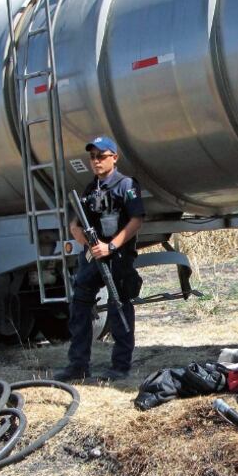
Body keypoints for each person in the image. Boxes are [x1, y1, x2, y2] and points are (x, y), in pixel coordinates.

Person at [55, 136, 144, 381]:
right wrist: (86, 242)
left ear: (114, 157)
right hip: (94, 257)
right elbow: (75, 224)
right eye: (92, 157)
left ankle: (120, 366)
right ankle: (78, 365)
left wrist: (110, 246)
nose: (96, 161)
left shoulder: (126, 185)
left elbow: (136, 220)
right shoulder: (89, 188)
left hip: (117, 256)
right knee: (79, 306)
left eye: (101, 156)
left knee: (119, 308)